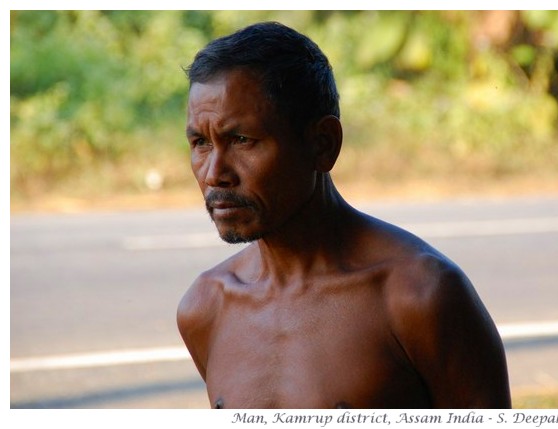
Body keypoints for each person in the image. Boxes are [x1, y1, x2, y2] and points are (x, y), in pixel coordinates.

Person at [177, 21, 511, 409]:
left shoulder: (417, 296)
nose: (215, 173)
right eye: (200, 143)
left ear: (323, 144)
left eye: (241, 140)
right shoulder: (206, 308)